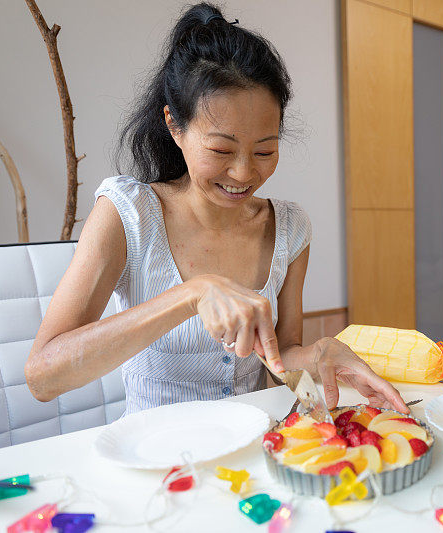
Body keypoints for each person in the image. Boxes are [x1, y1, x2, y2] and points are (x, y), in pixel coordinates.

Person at [25, 3, 408, 416]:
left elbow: (283, 355)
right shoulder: (128, 214)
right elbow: (44, 377)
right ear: (174, 125)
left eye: (265, 150)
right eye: (221, 149)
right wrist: (191, 294)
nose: (244, 172)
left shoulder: (289, 229)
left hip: (251, 455)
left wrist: (318, 354)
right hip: (158, 460)